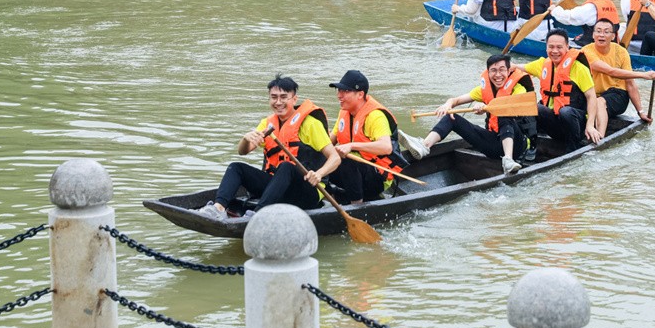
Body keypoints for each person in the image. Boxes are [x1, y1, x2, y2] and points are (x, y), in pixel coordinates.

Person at [199, 75, 339, 220]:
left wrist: (320, 174)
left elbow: (335, 158)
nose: (278, 102)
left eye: (284, 97)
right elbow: (243, 151)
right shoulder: (267, 124)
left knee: (286, 167)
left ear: (294, 99)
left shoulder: (310, 124)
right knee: (236, 167)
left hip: (308, 191)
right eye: (274, 97)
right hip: (276, 188)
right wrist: (246, 139)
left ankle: (258, 214)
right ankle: (218, 208)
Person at [400, 54, 537, 174]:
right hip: (495, 143)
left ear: (508, 71)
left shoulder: (519, 89)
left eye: (502, 70)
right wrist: (448, 104)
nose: (498, 75)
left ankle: (508, 160)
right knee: (452, 117)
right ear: (488, 73)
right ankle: (424, 146)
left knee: (502, 112)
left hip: (518, 145)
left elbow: (513, 107)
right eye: (493, 71)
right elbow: (456, 100)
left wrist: (487, 107)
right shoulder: (484, 90)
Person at [329, 70, 409, 204]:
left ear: (360, 94)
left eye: (345, 91)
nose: (339, 95)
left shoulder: (375, 116)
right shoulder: (344, 113)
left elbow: (386, 147)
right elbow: (329, 142)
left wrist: (351, 145)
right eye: (338, 91)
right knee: (316, 158)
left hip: (377, 177)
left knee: (349, 163)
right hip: (353, 176)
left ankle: (356, 206)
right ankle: (331, 197)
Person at [516, 29, 601, 151]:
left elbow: (592, 97)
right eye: (551, 47)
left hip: (576, 123)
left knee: (565, 112)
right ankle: (530, 147)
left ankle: (573, 149)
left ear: (567, 47)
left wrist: (590, 125)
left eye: (559, 47)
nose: (555, 51)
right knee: (534, 107)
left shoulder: (579, 68)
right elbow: (517, 67)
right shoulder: (543, 65)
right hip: (555, 125)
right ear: (546, 48)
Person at [579, 18, 655, 137]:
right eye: (598, 31)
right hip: (592, 94)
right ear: (593, 34)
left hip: (617, 94)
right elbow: (610, 71)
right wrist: (644, 75)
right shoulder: (586, 51)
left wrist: (641, 112)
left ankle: (599, 138)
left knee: (600, 102)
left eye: (606, 32)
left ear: (612, 36)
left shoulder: (621, 52)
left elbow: (630, 84)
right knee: (592, 101)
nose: (602, 35)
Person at [550, 0, 620, 46]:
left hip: (593, 45)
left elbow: (569, 17)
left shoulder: (590, 8)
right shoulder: (608, 3)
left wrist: (554, 10)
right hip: (612, 43)